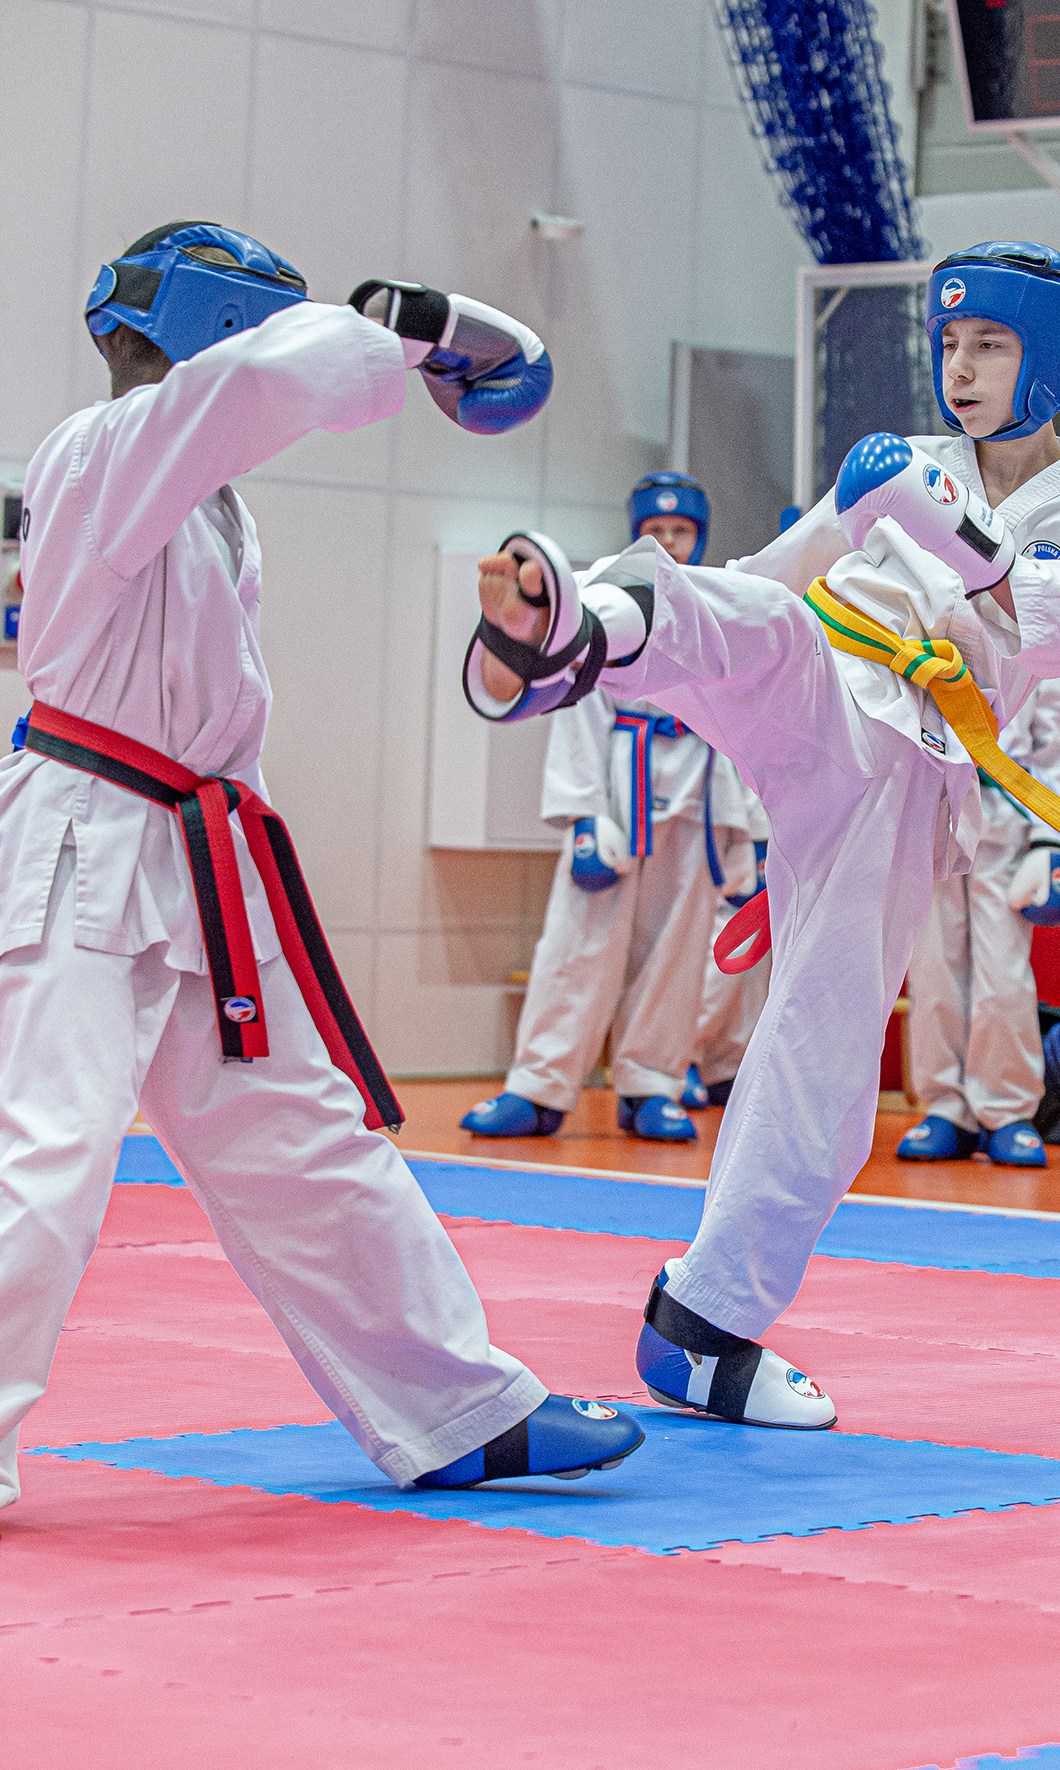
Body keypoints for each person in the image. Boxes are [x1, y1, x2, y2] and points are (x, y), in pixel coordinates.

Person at [0, 220, 644, 1511]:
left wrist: (415, 341)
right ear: (209, 331)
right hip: (87, 846)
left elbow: (253, 389)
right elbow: (263, 379)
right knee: (49, 1148)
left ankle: (457, 1405)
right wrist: (422, 330)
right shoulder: (103, 448)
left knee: (301, 1135)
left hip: (194, 855)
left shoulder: (198, 491)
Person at [461, 242, 1060, 1433]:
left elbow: (1040, 630)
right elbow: (773, 575)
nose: (958, 368)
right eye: (946, 344)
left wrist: (944, 528)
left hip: (906, 766)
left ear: (1053, 355)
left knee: (821, 1052)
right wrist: (871, 509)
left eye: (988, 345)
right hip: (824, 683)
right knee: (751, 616)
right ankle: (575, 631)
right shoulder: (902, 463)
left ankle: (703, 1324)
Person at [460, 472, 758, 1145]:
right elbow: (574, 702)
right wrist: (583, 815)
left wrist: (747, 832)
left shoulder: (718, 604)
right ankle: (537, 1086)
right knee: (578, 943)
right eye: (656, 530)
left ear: (701, 536)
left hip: (699, 797)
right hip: (620, 792)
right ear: (636, 532)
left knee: (676, 953)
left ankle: (651, 1084)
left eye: (681, 531)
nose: (669, 542)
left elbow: (743, 722)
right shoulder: (603, 592)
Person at [899, 676, 1060, 1167]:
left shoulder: (1035, 644)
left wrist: (1053, 840)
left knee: (1003, 975)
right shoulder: (913, 631)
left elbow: (1058, 742)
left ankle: (1007, 1110)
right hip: (928, 812)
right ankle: (946, 1106)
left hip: (1006, 822)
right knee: (932, 970)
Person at [685, 783, 771, 1112]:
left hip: (784, 825)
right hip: (740, 823)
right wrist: (756, 832)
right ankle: (683, 1057)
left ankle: (725, 1065)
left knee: (761, 956)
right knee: (732, 943)